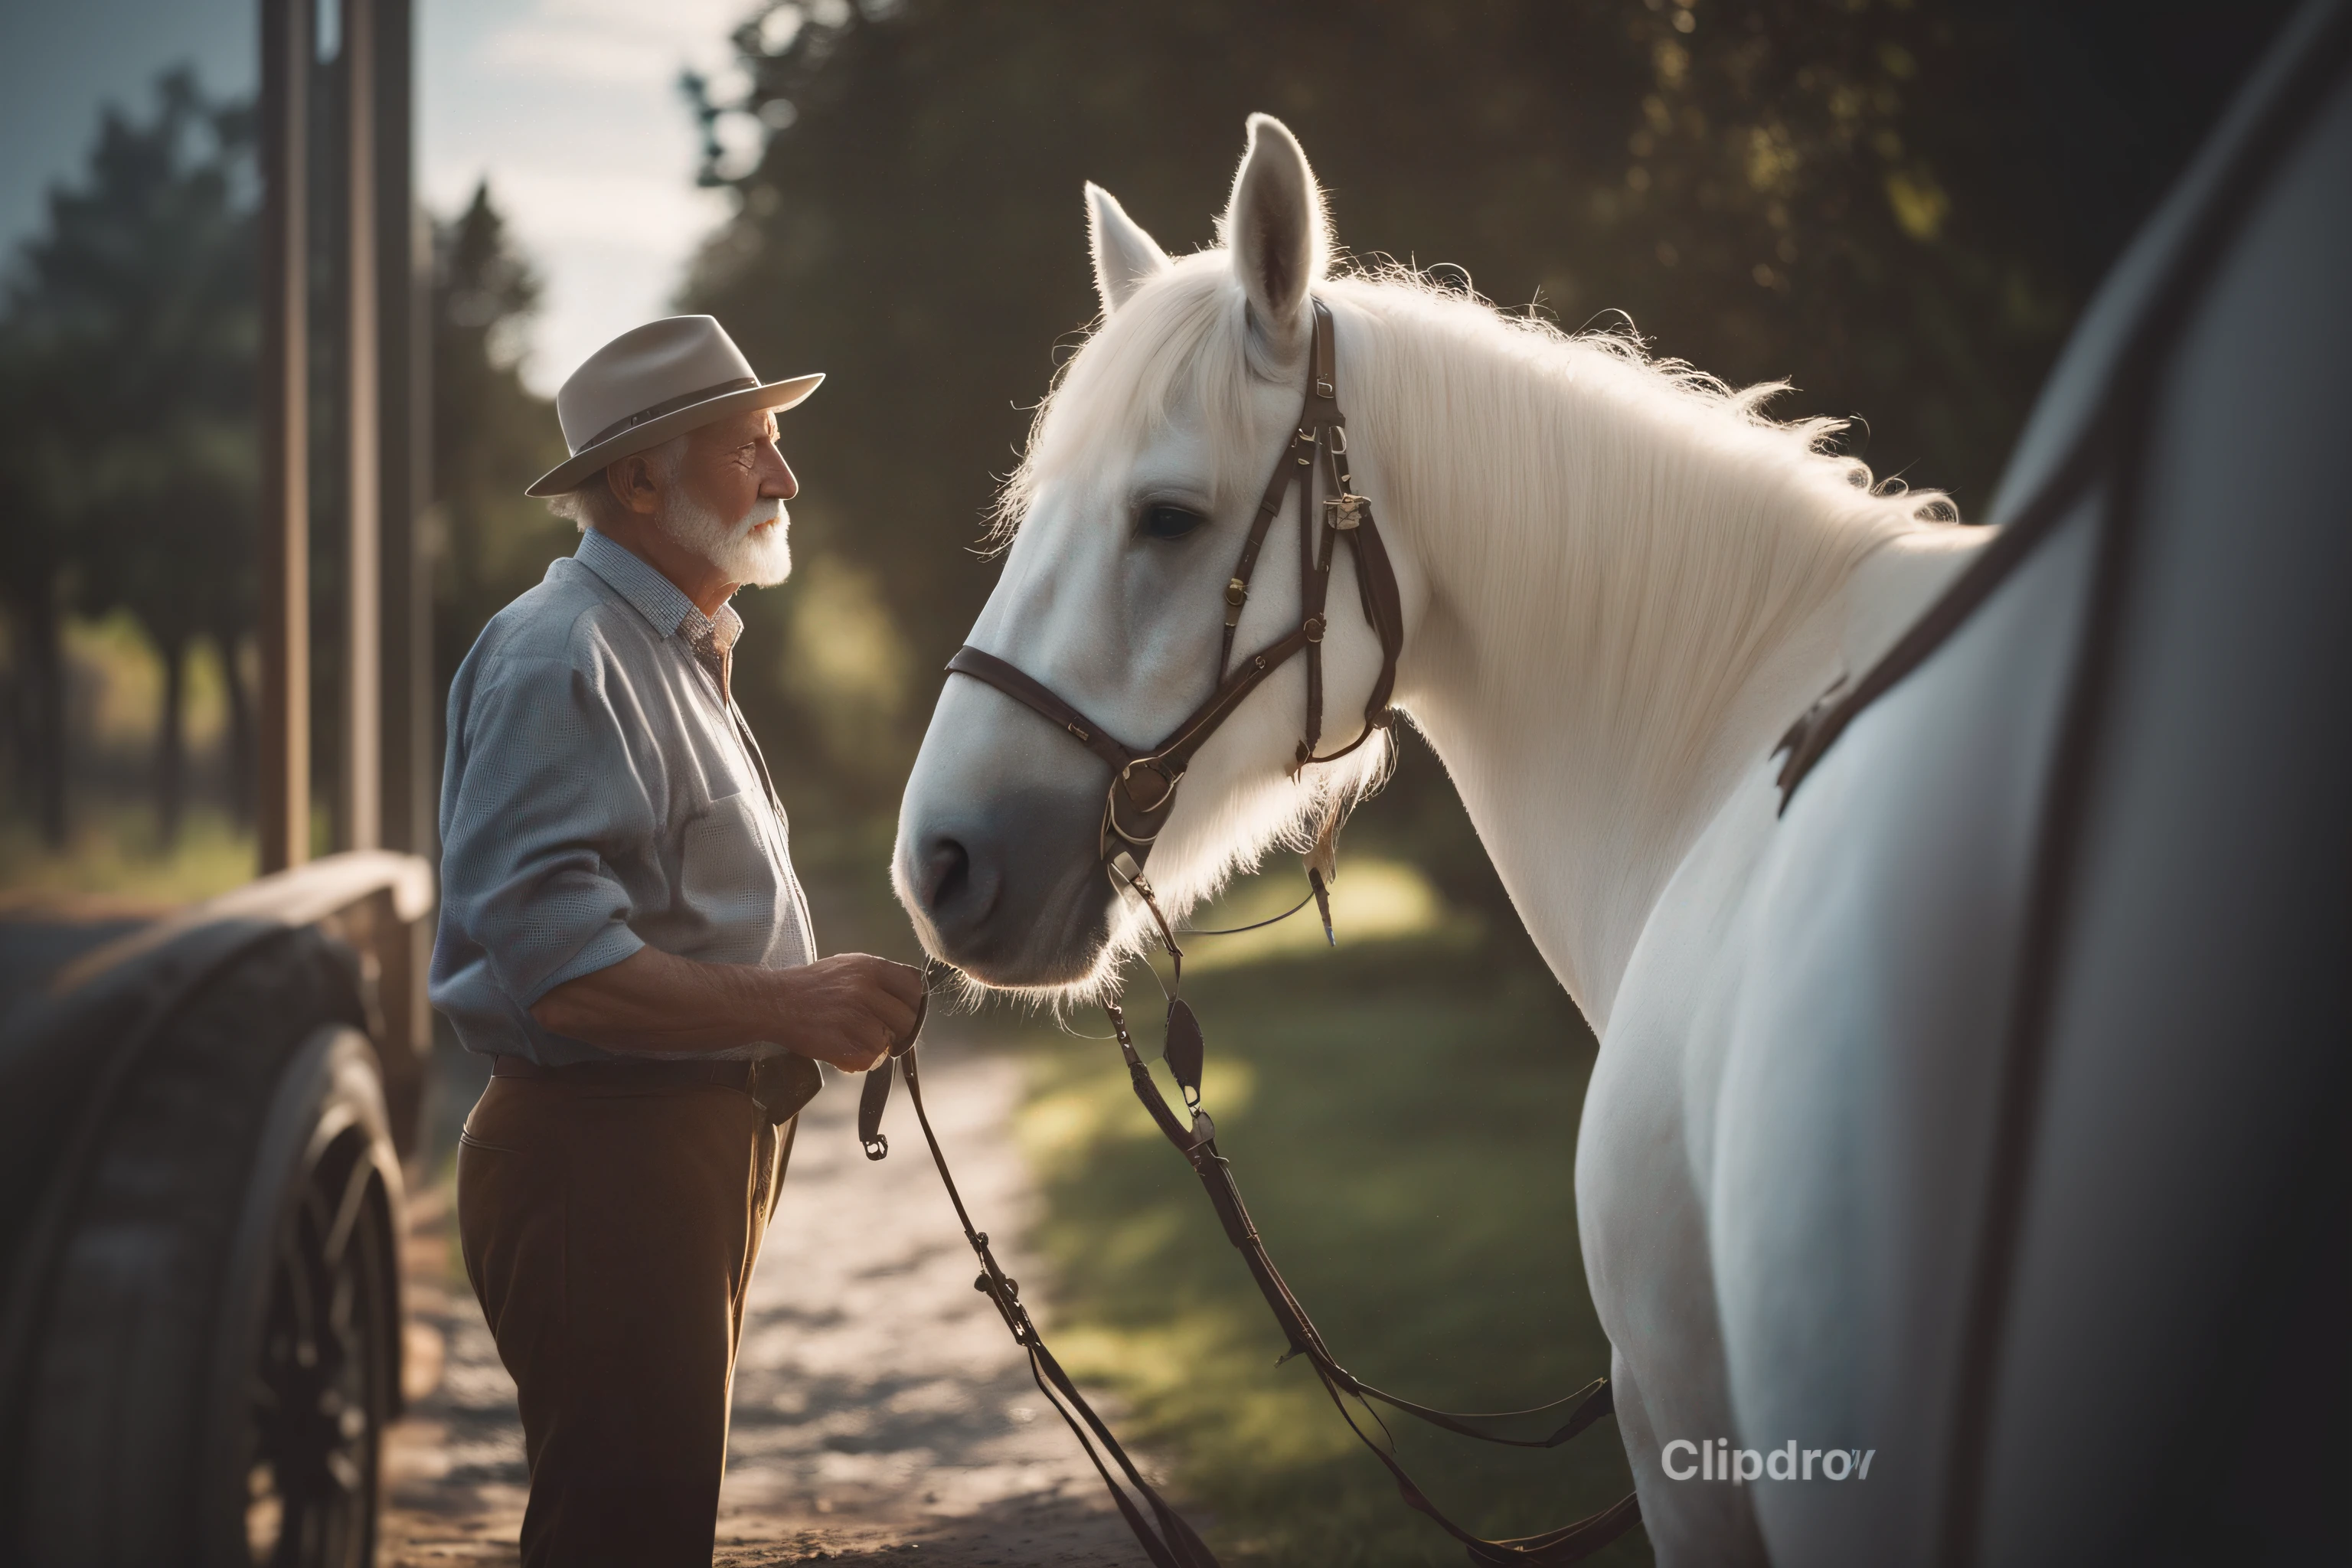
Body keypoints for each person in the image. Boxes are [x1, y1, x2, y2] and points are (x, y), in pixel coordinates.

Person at [430, 315, 926, 1566]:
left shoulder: (671, 647)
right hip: (604, 1163)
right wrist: (791, 1004)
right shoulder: (564, 656)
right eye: (751, 447)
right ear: (640, 480)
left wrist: (795, 1010)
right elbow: (562, 971)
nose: (784, 477)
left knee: (648, 1524)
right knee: (623, 1536)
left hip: (666, 1159)